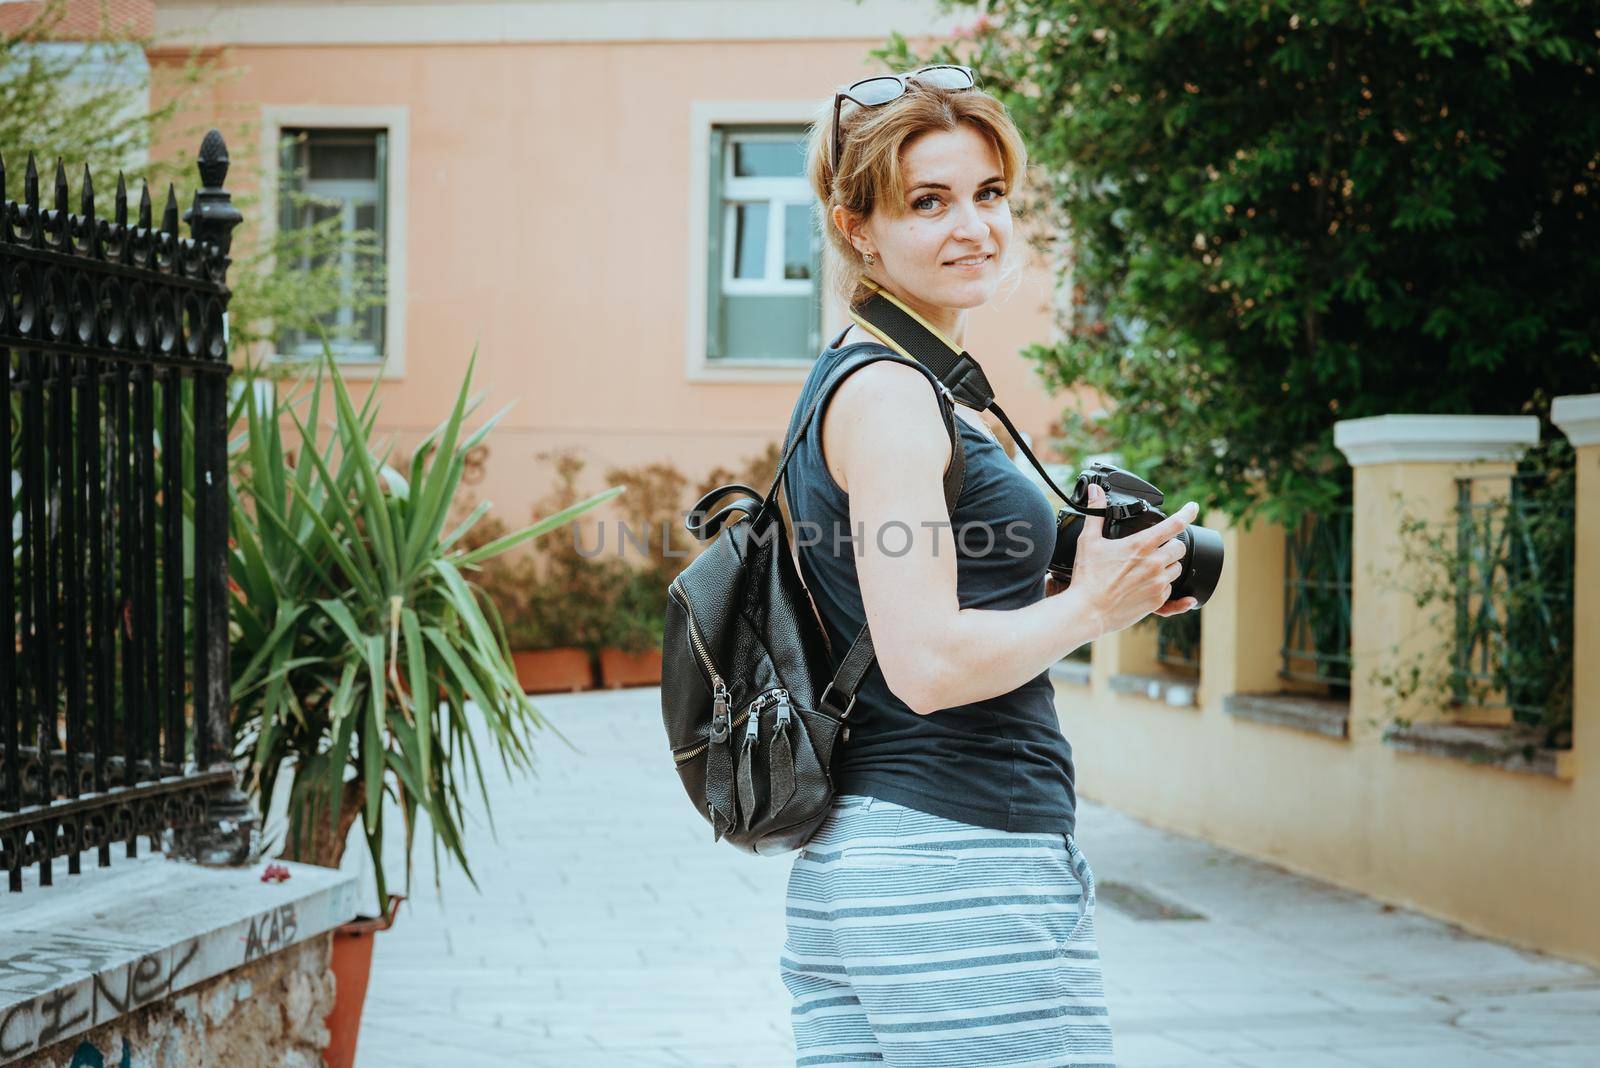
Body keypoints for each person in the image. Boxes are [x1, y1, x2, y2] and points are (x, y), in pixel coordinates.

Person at [777, 66, 1200, 1067]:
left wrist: (1077, 585)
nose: (972, 225)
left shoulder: (891, 381)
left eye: (988, 194)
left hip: (875, 860)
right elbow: (925, 666)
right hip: (953, 858)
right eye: (928, 202)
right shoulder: (889, 398)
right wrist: (1092, 605)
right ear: (857, 229)